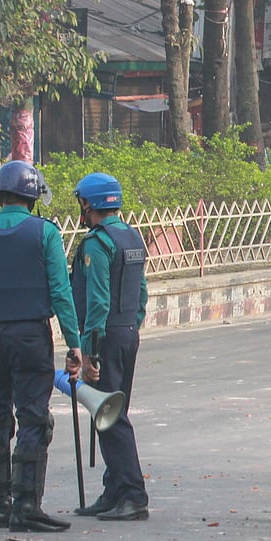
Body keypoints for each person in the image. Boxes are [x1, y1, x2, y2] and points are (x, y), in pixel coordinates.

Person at [0, 160, 82, 533]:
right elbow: (61, 293)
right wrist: (75, 345)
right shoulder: (45, 233)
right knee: (33, 417)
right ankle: (26, 505)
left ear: (0, 196)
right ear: (33, 198)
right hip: (30, 337)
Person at [69, 172, 150, 521]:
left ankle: (133, 494)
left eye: (82, 203)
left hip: (106, 337)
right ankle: (113, 490)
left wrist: (91, 353)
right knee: (113, 411)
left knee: (111, 417)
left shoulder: (97, 244)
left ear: (91, 203)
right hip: (128, 332)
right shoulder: (131, 236)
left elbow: (97, 303)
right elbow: (142, 294)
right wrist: (130, 328)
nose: (81, 210)